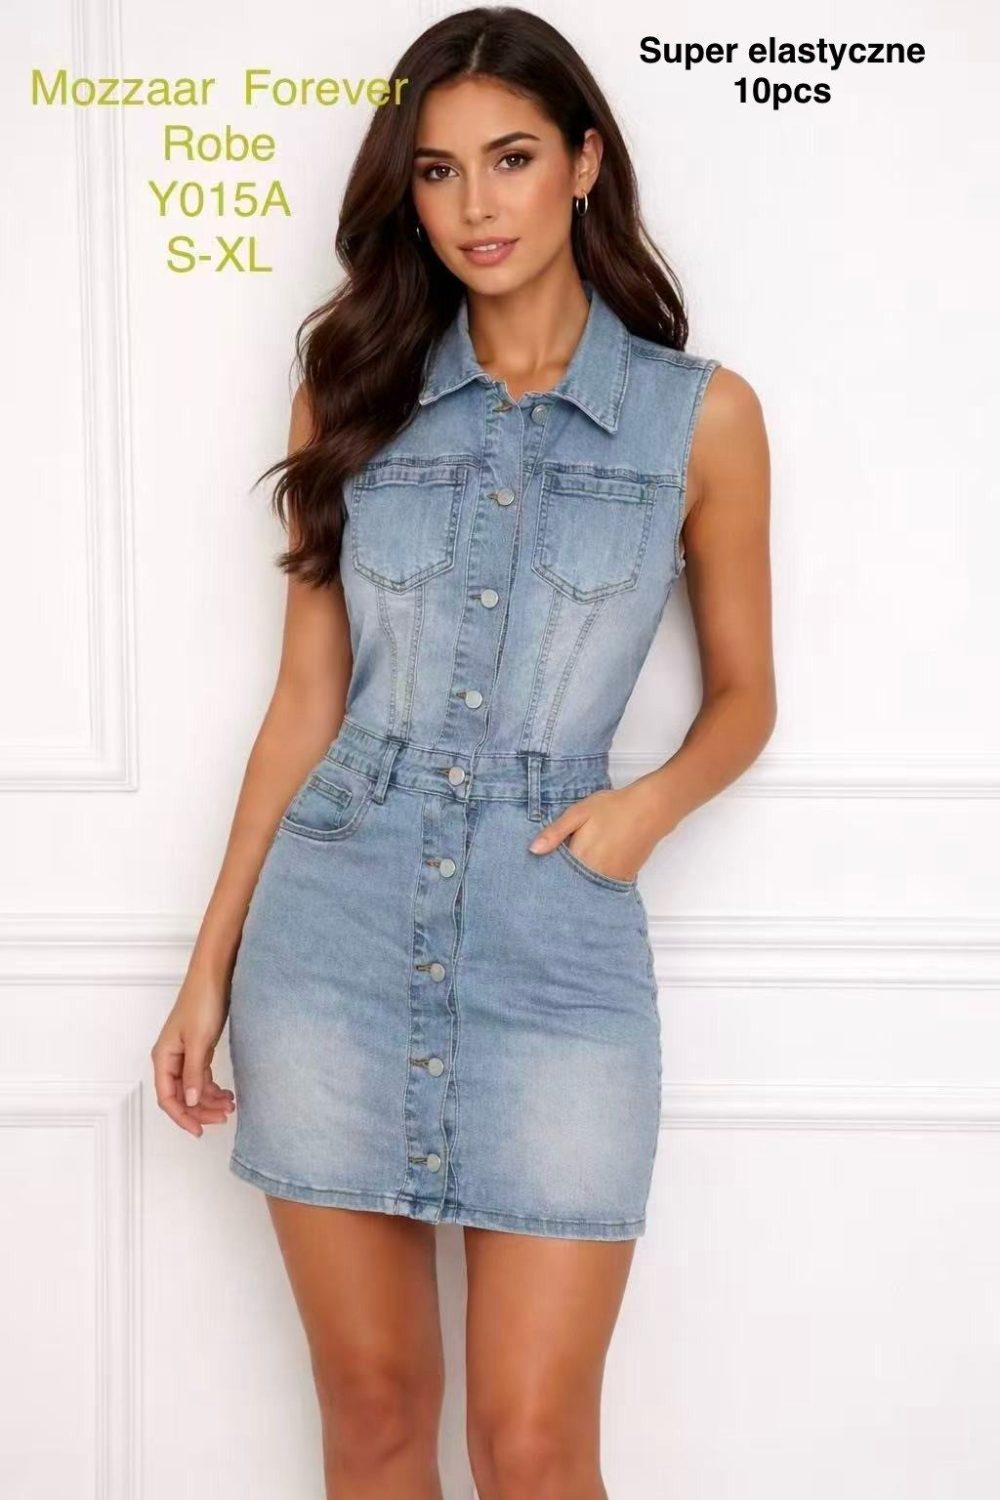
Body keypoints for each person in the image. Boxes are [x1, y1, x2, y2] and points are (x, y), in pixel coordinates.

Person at [151, 7, 774, 1495]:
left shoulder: (699, 418)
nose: (476, 205)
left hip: (558, 950)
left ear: (584, 164)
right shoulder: (351, 392)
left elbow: (749, 696)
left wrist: (645, 809)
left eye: (511, 158)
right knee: (373, 1418)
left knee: (532, 1447)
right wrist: (207, 966)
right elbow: (305, 703)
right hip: (332, 940)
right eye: (437, 172)